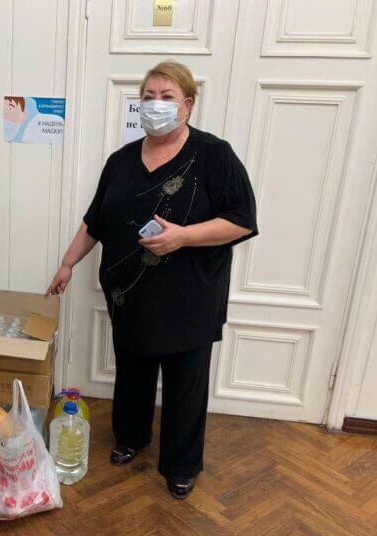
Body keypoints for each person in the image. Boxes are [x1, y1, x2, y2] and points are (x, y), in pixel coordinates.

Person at [47, 60, 258, 500]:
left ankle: (181, 464)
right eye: (148, 96)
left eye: (166, 97)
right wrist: (67, 264)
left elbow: (242, 220)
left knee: (185, 384)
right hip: (129, 293)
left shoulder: (214, 154)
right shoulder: (121, 161)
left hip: (190, 297)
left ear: (188, 105)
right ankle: (131, 438)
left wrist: (184, 237)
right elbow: (95, 220)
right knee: (132, 373)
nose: (155, 104)